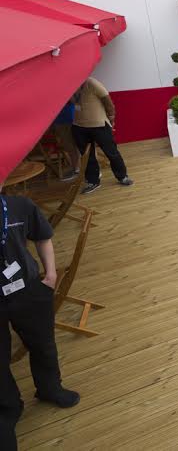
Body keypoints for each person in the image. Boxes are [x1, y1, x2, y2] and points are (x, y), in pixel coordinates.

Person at [0, 192, 80, 450]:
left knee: (43, 343)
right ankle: (8, 406)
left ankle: (49, 387)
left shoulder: (19, 205)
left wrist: (51, 274)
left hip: (28, 288)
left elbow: (43, 236)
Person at [71, 77, 133, 195]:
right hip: (79, 126)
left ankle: (122, 176)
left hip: (99, 125)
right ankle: (92, 181)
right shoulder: (71, 84)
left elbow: (108, 102)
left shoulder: (92, 83)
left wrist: (111, 117)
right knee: (86, 156)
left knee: (111, 152)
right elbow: (72, 102)